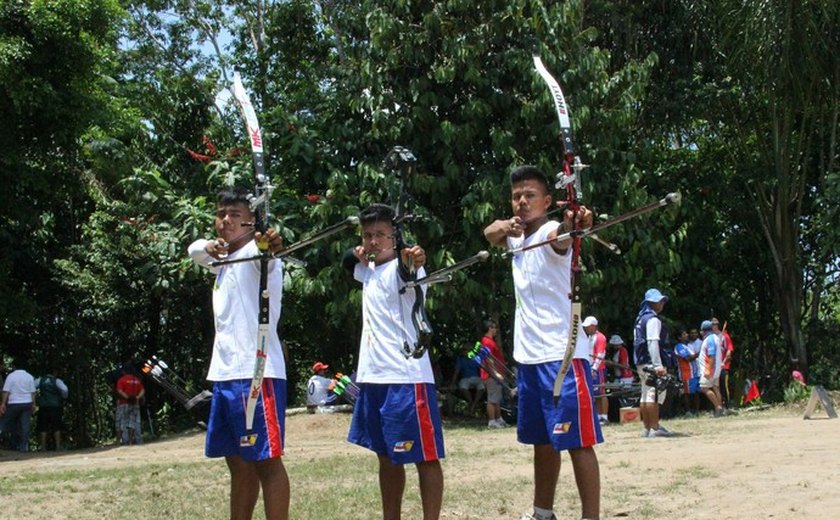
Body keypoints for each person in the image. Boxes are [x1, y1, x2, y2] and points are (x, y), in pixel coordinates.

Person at [483, 165, 601, 520]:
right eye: (517, 195)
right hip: (530, 357)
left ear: (547, 201)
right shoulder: (515, 237)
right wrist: (503, 227)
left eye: (530, 195)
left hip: (562, 357)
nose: (522, 202)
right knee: (542, 440)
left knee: (578, 441)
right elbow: (489, 233)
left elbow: (568, 232)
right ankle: (542, 512)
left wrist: (575, 221)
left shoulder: (551, 232)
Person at [188, 187, 289, 520]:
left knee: (266, 461)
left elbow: (270, 250)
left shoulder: (259, 259)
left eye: (235, 215)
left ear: (252, 222)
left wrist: (268, 242)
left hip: (256, 373)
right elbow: (195, 250)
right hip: (225, 374)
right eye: (221, 214)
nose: (225, 221)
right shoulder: (224, 262)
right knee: (237, 460)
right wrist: (209, 246)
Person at [344, 203, 444, 520]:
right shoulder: (368, 272)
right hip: (373, 377)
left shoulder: (406, 269)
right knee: (386, 457)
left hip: (406, 377)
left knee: (424, 458)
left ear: (395, 238)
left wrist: (412, 257)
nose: (373, 242)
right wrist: (357, 252)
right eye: (368, 235)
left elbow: (411, 264)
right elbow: (347, 262)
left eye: (381, 235)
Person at [632, 288, 675, 438]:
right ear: (651, 303)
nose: (662, 303)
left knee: (645, 394)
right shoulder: (653, 320)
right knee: (653, 395)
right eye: (659, 301)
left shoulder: (639, 319)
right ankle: (655, 428)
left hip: (641, 362)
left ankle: (647, 428)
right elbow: (653, 343)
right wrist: (658, 365)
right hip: (651, 362)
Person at [0, 363, 37, 452]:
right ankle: (23, 447)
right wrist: (34, 404)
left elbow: (6, 391)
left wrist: (3, 403)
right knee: (25, 425)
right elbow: (33, 392)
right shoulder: (29, 377)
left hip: (13, 403)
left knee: (4, 423)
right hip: (26, 403)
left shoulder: (11, 376)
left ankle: (11, 444)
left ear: (14, 368)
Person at [478, 320, 507, 428]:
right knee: (492, 399)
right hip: (491, 375)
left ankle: (498, 419)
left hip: (494, 374)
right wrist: (495, 373)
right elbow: (488, 358)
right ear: (490, 328)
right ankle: (492, 421)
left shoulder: (489, 341)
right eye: (494, 327)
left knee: (496, 398)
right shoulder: (487, 342)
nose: (496, 330)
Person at [583, 316, 608, 426]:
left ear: (593, 326)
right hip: (590, 366)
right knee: (595, 393)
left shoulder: (600, 337)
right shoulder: (589, 337)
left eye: (588, 327)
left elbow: (600, 353)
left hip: (598, 368)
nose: (586, 329)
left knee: (601, 392)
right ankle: (598, 416)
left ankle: (604, 416)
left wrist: (594, 368)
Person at [35, 370, 69, 450]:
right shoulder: (57, 381)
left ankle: (43, 447)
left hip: (43, 405)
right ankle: (58, 446)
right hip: (55, 406)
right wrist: (63, 396)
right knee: (56, 426)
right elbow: (65, 390)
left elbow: (31, 388)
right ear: (55, 373)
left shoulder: (40, 380)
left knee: (43, 426)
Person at [698, 320, 724, 417]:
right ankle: (720, 407)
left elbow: (711, 355)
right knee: (716, 388)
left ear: (703, 330)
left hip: (710, 369)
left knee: (704, 388)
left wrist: (708, 369)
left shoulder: (709, 340)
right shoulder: (715, 338)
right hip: (716, 369)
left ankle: (718, 407)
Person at [115, 364, 145, 445]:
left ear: (124, 371)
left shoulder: (121, 380)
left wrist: (127, 398)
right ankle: (137, 440)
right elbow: (142, 390)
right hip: (135, 403)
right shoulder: (137, 380)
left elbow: (120, 391)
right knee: (134, 422)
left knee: (123, 422)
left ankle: (125, 441)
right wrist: (137, 397)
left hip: (124, 403)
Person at [451, 344, 485, 415]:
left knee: (482, 387)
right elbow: (456, 372)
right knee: (463, 387)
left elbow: (483, 369)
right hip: (465, 378)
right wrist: (453, 383)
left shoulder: (476, 358)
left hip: (476, 378)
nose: (466, 351)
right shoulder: (460, 359)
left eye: (468, 350)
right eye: (465, 350)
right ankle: (471, 403)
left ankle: (473, 404)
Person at [673, 330, 700, 416]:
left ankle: (696, 411)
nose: (687, 335)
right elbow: (687, 358)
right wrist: (700, 353)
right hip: (687, 374)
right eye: (684, 334)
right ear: (679, 337)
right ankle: (688, 411)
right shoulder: (679, 347)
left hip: (694, 373)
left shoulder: (688, 346)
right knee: (687, 393)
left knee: (696, 392)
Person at [714, 318, 735, 410]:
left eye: (714, 324)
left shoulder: (724, 336)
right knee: (715, 387)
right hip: (713, 367)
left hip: (723, 366)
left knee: (724, 386)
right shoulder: (711, 338)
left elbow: (729, 351)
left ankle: (727, 405)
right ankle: (718, 405)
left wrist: (724, 362)